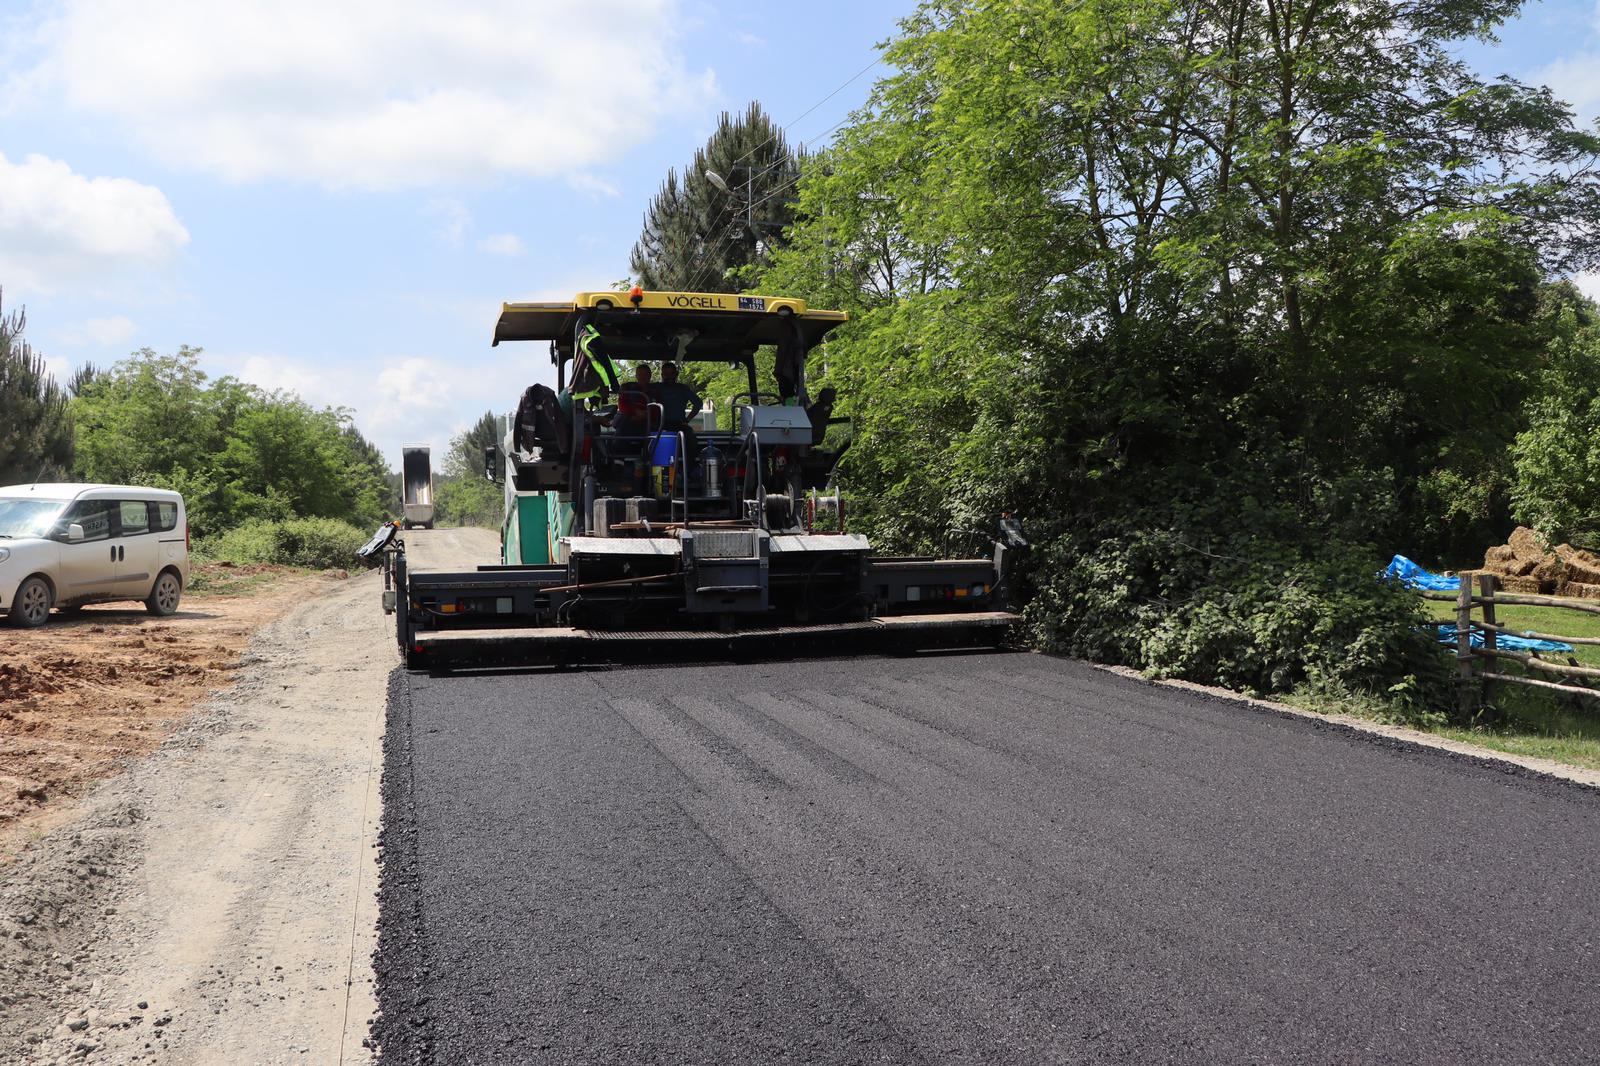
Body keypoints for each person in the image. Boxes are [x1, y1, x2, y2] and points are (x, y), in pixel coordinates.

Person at [655, 362, 702, 458]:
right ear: (662, 375)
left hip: (679, 424)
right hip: (659, 425)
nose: (669, 377)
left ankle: (689, 470)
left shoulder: (683, 388)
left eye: (671, 374)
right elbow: (640, 386)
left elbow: (698, 403)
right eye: (666, 374)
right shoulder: (656, 387)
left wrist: (687, 420)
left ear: (676, 374)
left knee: (691, 439)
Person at [613, 364, 655, 439]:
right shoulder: (627, 388)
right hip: (627, 422)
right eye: (640, 374)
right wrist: (635, 411)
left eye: (646, 374)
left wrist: (645, 415)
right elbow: (622, 405)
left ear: (650, 376)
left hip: (647, 424)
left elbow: (658, 409)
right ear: (636, 375)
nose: (643, 377)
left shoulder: (654, 391)